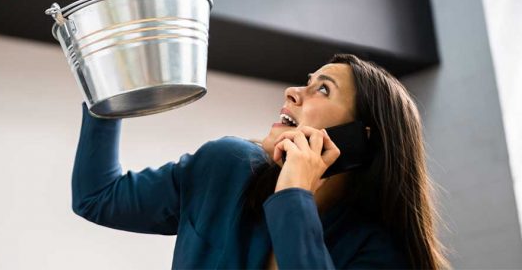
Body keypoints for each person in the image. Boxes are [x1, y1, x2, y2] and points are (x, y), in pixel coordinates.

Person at [71, 53, 451, 269]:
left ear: (358, 138)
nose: (293, 91)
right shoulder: (226, 166)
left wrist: (294, 197)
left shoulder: (378, 254)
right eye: (307, 80)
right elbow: (98, 197)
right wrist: (105, 93)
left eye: (322, 89)